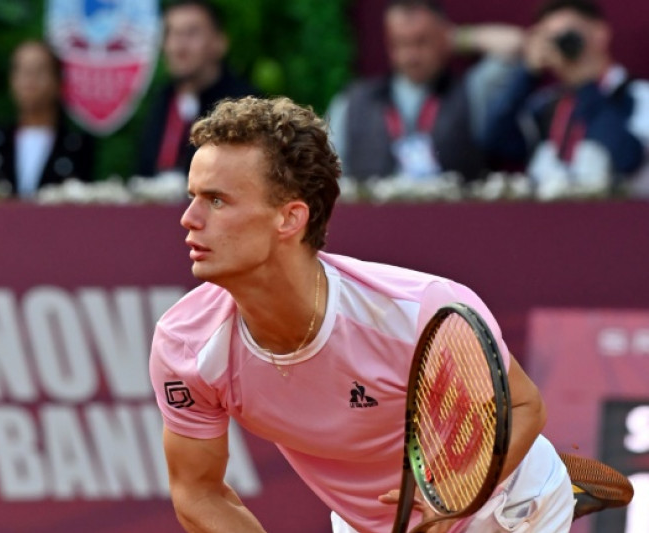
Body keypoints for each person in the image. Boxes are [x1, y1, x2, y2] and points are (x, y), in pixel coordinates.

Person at [148, 96, 576, 532]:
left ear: (289, 218)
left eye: (217, 201)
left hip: (502, 509)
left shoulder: (418, 311)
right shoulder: (186, 344)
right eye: (193, 196)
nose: (189, 218)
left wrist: (454, 499)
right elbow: (198, 492)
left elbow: (523, 407)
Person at [326, 0, 524, 181]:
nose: (411, 55)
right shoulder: (354, 100)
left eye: (421, 42)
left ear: (442, 37)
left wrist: (458, 38)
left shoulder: (471, 91)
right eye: (401, 43)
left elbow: (516, 46)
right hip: (375, 217)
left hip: (454, 217)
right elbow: (325, 170)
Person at [483, 0, 649, 195]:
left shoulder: (639, 95)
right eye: (550, 39)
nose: (561, 46)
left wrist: (586, 86)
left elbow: (628, 158)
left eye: (568, 35)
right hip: (551, 219)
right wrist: (528, 74)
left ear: (600, 33)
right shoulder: (545, 103)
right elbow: (494, 143)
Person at [136, 0, 259, 178]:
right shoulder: (159, 102)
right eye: (171, 33)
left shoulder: (244, 106)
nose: (179, 46)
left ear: (220, 43)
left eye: (191, 33)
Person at [0, 40, 95, 198]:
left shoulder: (76, 146)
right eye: (22, 71)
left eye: (39, 71)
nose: (29, 79)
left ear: (58, 82)